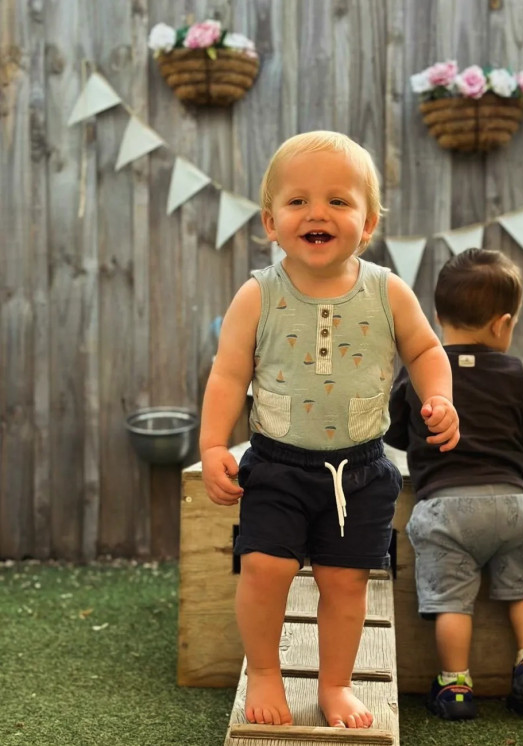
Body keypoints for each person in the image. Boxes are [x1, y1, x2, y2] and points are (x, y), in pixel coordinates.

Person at [199, 131, 460, 730]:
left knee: (346, 586)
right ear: (270, 220)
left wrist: (440, 396)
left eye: (339, 201)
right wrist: (214, 444)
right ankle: (266, 670)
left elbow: (426, 350)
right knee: (264, 568)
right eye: (298, 202)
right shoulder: (257, 295)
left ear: (367, 225)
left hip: (361, 471)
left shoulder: (387, 290)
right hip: (276, 466)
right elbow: (227, 374)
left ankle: (336, 684)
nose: (317, 213)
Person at [385, 248, 523, 720]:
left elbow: (395, 429)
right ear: (503, 324)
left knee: (452, 602)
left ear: (437, 318)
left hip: (445, 506)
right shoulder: (517, 375)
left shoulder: (421, 374)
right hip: (511, 503)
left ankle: (456, 686)